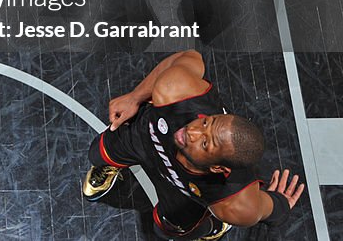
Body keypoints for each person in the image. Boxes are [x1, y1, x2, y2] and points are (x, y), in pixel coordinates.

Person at [83, 50, 306, 239]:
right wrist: (135, 97)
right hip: (144, 136)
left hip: (182, 193)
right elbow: (188, 56)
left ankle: (214, 226)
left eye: (206, 143)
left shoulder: (233, 202)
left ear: (218, 168)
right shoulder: (178, 92)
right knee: (97, 153)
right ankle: (112, 166)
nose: (192, 131)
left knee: (169, 231)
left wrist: (279, 205)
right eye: (207, 122)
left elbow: (262, 210)